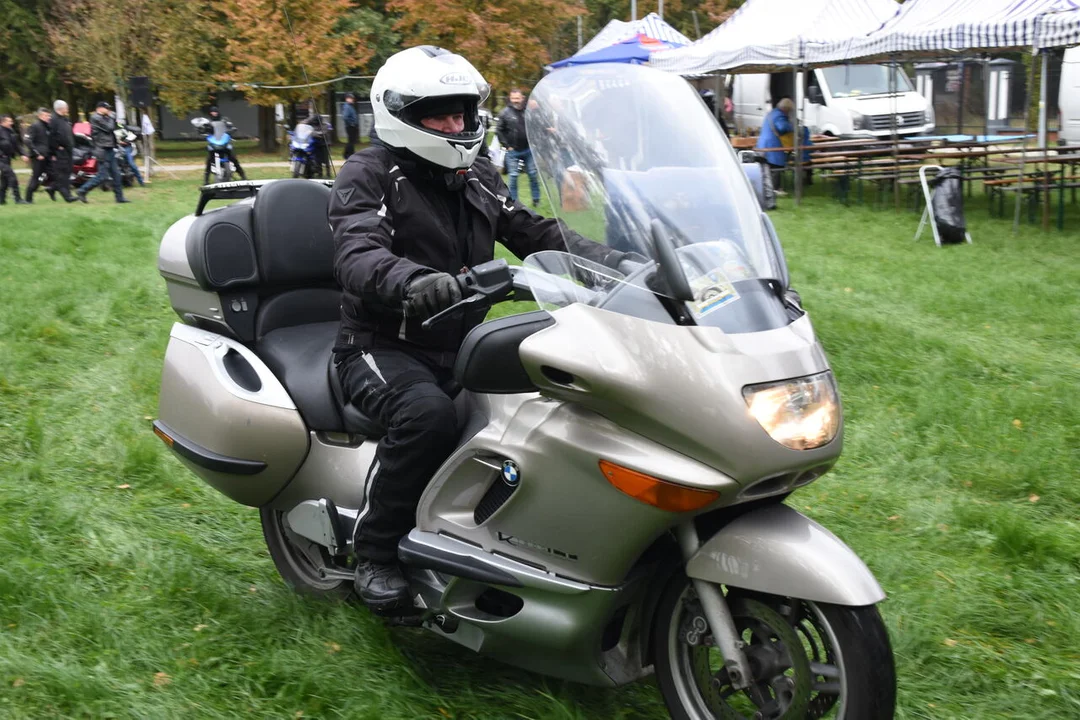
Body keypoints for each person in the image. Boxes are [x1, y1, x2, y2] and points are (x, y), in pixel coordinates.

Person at [329, 46, 637, 612]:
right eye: (438, 116)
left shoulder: (475, 174)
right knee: (426, 416)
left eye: (461, 114)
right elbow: (357, 252)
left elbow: (535, 232)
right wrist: (414, 281)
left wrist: (618, 263)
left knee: (565, 404)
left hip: (461, 344)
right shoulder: (368, 174)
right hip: (381, 346)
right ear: (400, 115)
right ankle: (374, 553)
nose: (455, 126)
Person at [755, 98, 812, 193]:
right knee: (776, 165)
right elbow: (782, 127)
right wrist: (792, 126)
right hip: (772, 143)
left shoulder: (772, 113)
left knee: (769, 166)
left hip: (764, 142)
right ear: (786, 109)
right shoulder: (779, 115)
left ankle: (770, 187)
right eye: (789, 110)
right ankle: (775, 188)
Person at [496, 88, 540, 207]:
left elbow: (536, 124)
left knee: (533, 174)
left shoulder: (529, 111)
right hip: (513, 150)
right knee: (513, 176)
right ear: (510, 98)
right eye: (513, 98)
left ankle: (536, 200)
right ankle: (514, 202)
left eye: (517, 98)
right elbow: (499, 130)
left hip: (528, 149)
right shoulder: (504, 113)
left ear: (522, 98)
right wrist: (506, 146)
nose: (515, 100)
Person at [77, 101, 128, 203]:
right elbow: (109, 128)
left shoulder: (105, 117)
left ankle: (119, 197)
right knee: (102, 176)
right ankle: (82, 190)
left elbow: (114, 128)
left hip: (109, 148)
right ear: (99, 108)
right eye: (106, 108)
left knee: (116, 174)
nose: (108, 110)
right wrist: (112, 117)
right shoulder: (96, 118)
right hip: (102, 150)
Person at [203, 106, 246, 183]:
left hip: (224, 141)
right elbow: (205, 130)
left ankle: (243, 176)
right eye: (212, 112)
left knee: (233, 158)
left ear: (218, 112)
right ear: (210, 113)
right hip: (214, 142)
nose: (214, 113)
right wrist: (204, 130)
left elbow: (230, 127)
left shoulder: (224, 120)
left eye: (215, 111)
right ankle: (206, 180)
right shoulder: (208, 122)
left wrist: (231, 130)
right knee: (209, 160)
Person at [48, 100, 78, 202]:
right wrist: (56, 148)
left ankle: (52, 188)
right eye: (66, 107)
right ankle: (67, 196)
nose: (68, 109)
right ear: (60, 108)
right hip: (60, 151)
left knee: (68, 172)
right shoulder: (53, 120)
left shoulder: (65, 119)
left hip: (68, 150)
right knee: (63, 174)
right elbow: (51, 136)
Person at [24, 107, 53, 203]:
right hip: (38, 157)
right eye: (46, 115)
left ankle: (51, 189)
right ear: (40, 116)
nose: (48, 117)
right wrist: (36, 154)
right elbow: (28, 141)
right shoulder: (35, 126)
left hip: (47, 155)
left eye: (49, 115)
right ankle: (28, 198)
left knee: (52, 174)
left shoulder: (48, 126)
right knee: (36, 177)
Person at [0, 114, 30, 205]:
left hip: (7, 159)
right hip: (1, 159)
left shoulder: (11, 131)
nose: (11, 123)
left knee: (5, 180)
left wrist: (23, 154)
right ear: (2, 122)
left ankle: (1, 199)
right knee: (12, 177)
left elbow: (17, 145)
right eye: (9, 121)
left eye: (11, 121)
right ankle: (18, 199)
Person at [342, 91, 359, 160]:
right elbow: (345, 117)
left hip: (352, 126)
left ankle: (350, 153)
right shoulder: (347, 107)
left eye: (352, 98)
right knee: (351, 141)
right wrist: (351, 123)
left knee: (352, 141)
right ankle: (347, 154)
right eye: (350, 98)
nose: (352, 100)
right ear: (347, 99)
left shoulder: (350, 106)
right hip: (350, 126)